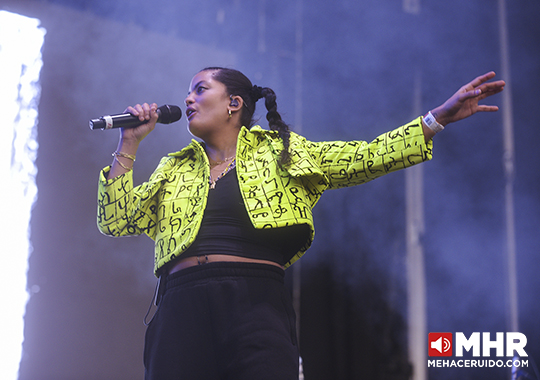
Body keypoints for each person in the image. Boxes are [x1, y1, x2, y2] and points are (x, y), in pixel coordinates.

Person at [96, 67, 505, 379]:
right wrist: (129, 142)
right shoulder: (175, 166)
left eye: (200, 89)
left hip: (253, 302)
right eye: (189, 91)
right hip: (180, 303)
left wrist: (437, 119)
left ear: (233, 104)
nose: (187, 98)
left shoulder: (283, 152)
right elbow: (116, 219)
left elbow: (365, 157)